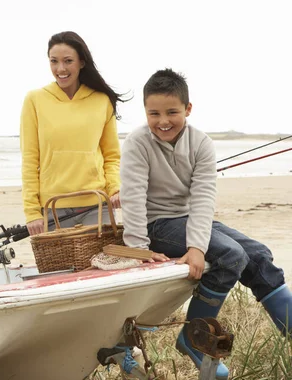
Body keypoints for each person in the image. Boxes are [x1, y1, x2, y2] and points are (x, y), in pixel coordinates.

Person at [120, 68, 291, 379]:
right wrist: (138, 252)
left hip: (190, 219)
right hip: (157, 224)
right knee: (231, 256)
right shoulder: (136, 143)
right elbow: (131, 200)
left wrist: (197, 246)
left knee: (258, 254)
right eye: (153, 113)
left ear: (188, 109)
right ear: (144, 111)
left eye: (172, 112)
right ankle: (194, 338)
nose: (163, 121)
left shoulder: (201, 143)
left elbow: (202, 199)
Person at [20, 31, 126, 236]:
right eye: (54, 61)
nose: (60, 69)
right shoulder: (34, 100)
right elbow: (30, 160)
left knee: (98, 267)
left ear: (82, 62)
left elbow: (112, 156)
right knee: (57, 268)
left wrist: (115, 189)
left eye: (68, 61)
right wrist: (32, 211)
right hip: (52, 207)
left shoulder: (102, 100)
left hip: (96, 204)